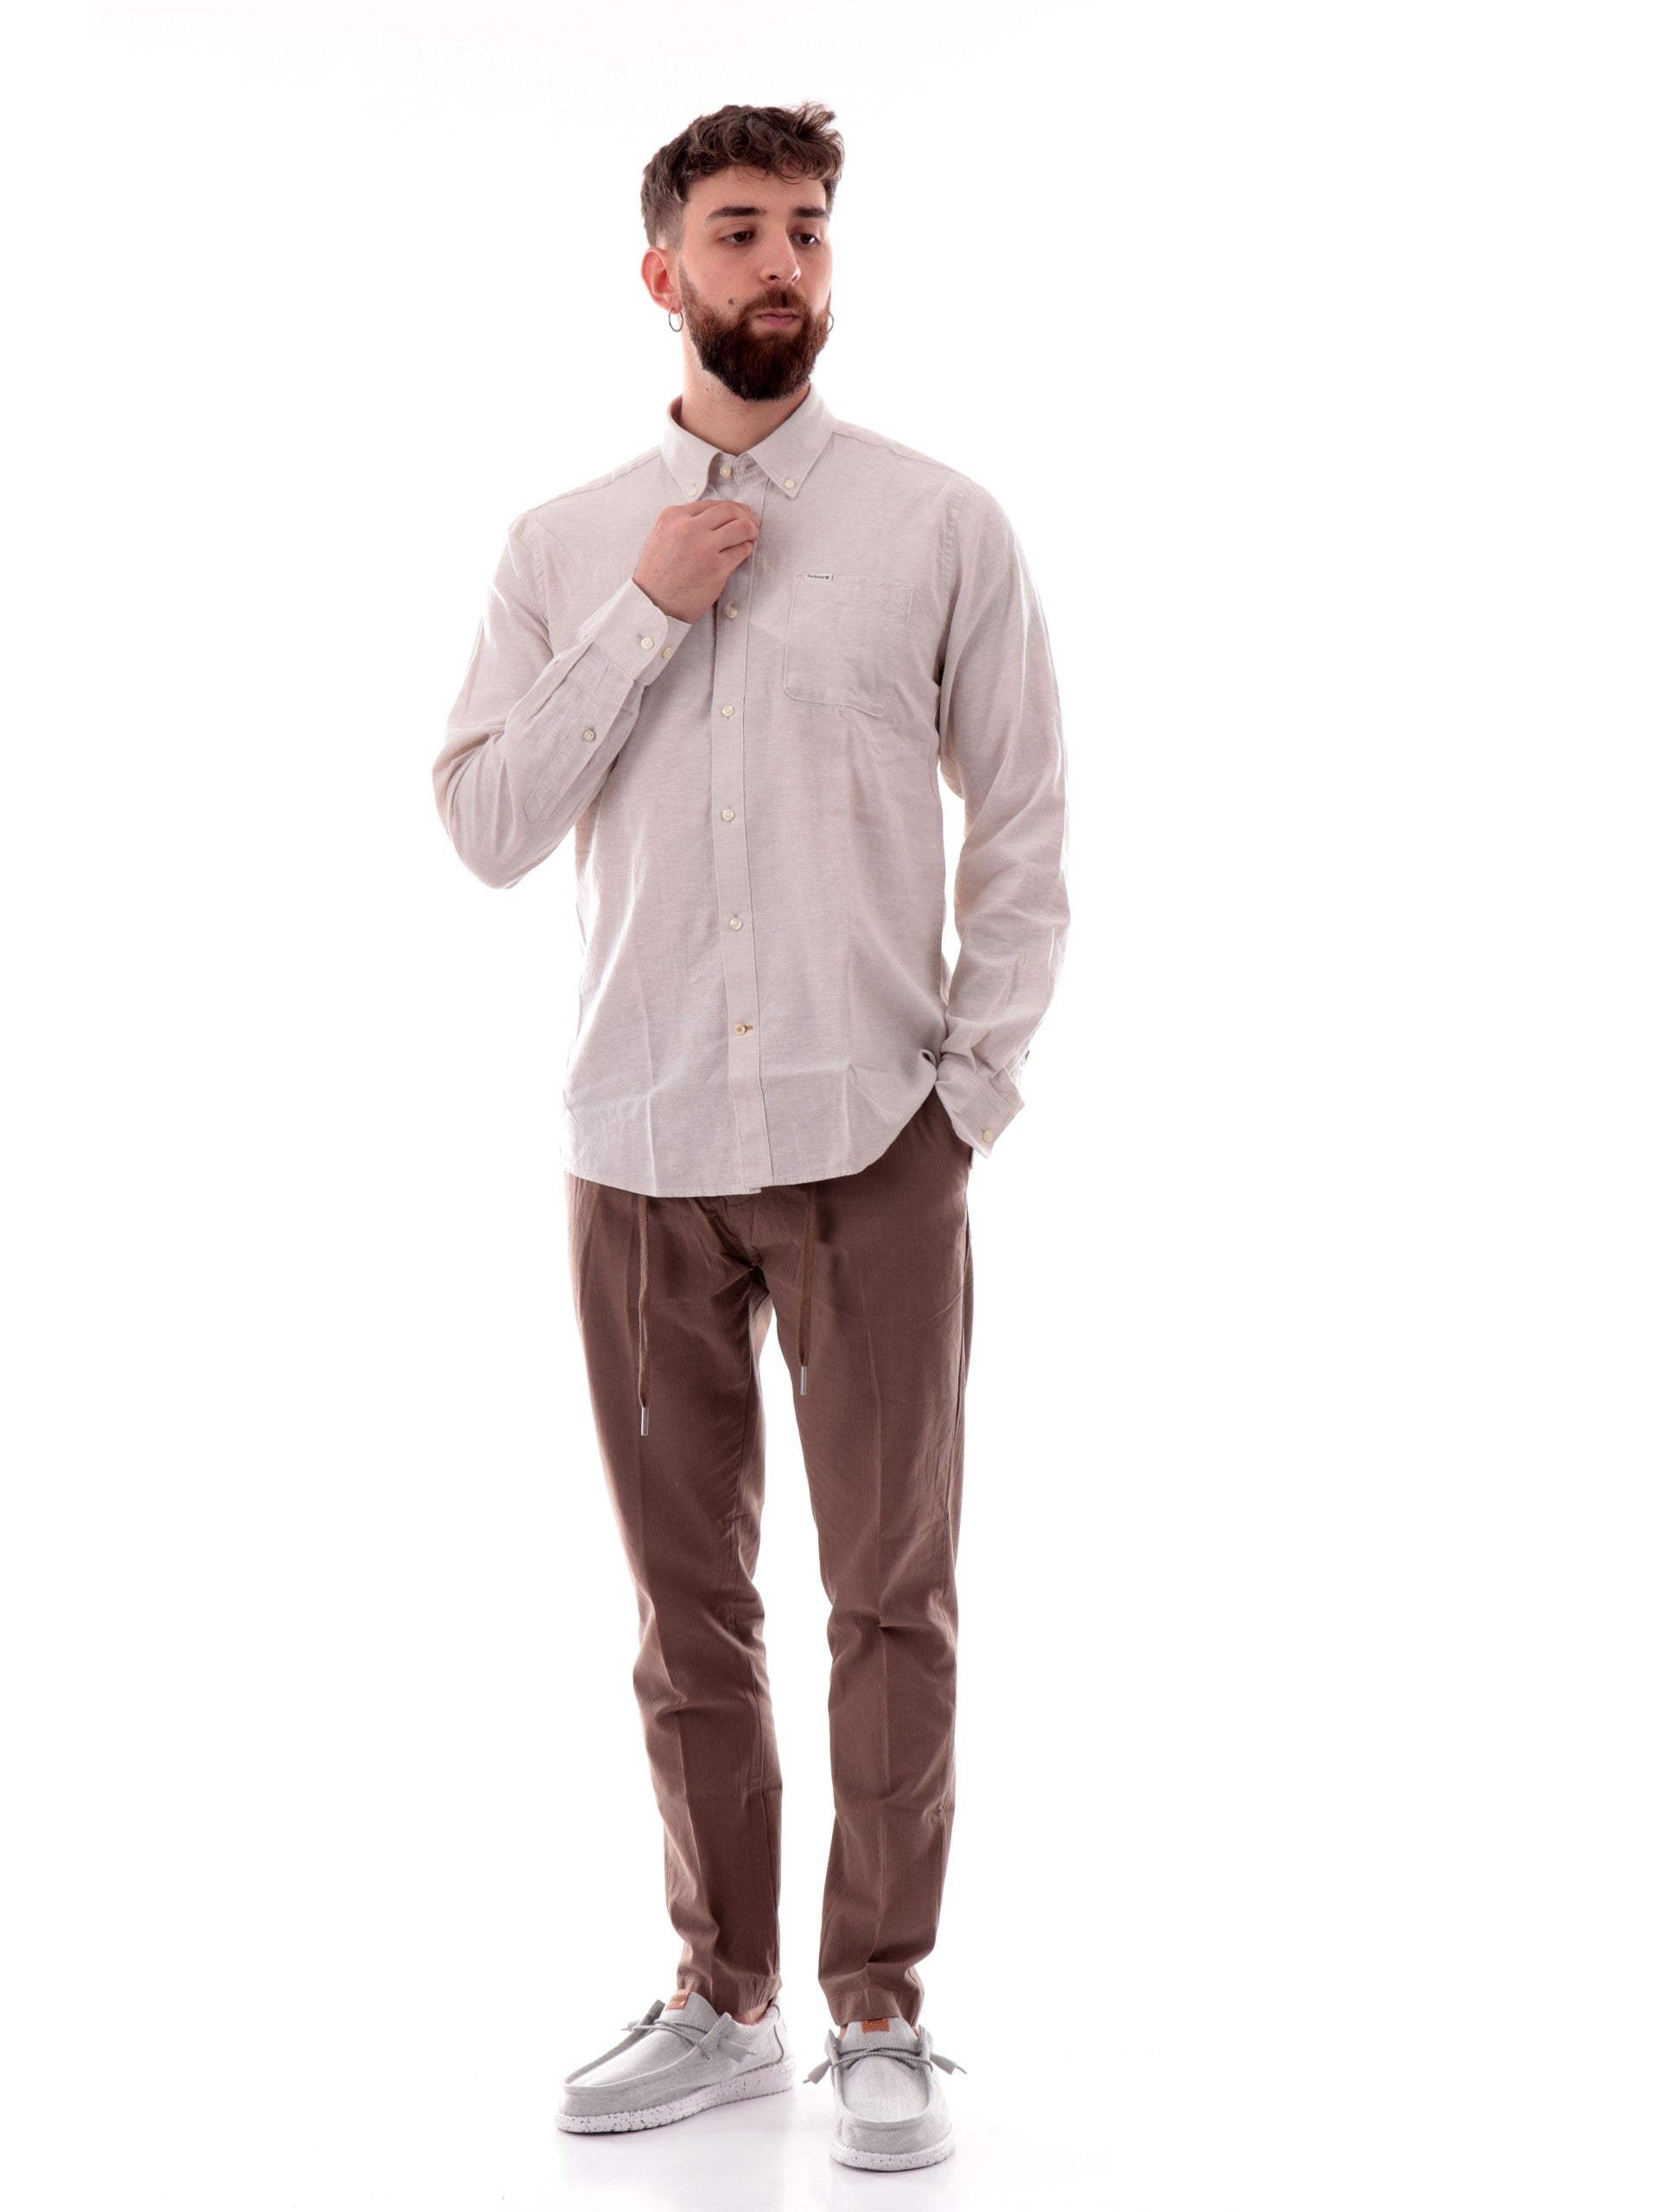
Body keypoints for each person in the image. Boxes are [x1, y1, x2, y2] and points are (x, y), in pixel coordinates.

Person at [431, 99, 1069, 2172]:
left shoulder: (940, 522)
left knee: (894, 1593)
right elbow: (486, 824)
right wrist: (646, 608)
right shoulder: (562, 545)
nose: (779, 261)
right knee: (685, 1605)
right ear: (662, 273)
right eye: (736, 230)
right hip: (636, 1150)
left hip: (876, 1140)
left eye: (805, 227)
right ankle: (724, 1995)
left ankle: (878, 2004)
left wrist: (967, 1095)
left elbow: (1026, 817)